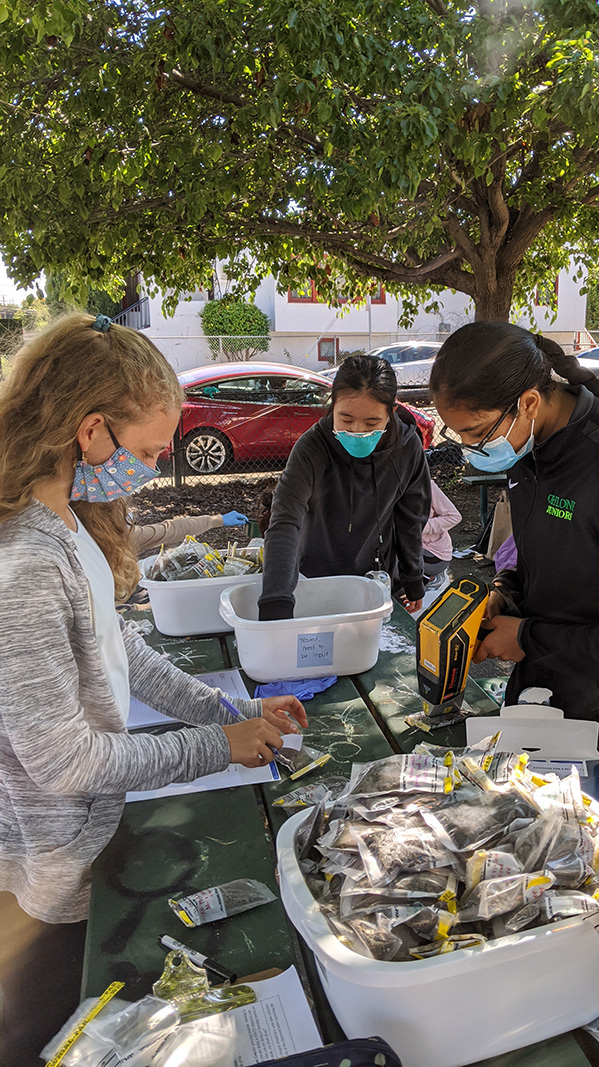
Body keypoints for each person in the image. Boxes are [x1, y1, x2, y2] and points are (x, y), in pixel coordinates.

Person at [0, 313, 307, 924]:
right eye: (144, 452)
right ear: (91, 431)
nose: (148, 468)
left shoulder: (68, 517)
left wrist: (234, 714)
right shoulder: (28, 564)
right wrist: (216, 747)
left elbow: (120, 651)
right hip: (62, 861)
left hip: (96, 828)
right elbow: (65, 764)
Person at [430, 322, 599, 820]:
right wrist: (504, 597)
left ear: (529, 402)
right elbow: (540, 561)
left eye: (475, 432)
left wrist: (528, 637)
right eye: (458, 433)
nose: (469, 446)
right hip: (546, 702)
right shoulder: (528, 450)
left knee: (573, 871)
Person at [258, 355, 431, 620]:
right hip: (314, 577)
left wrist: (412, 578)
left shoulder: (407, 447)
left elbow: (411, 516)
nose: (357, 431)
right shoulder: (312, 448)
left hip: (374, 579)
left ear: (391, 413)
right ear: (332, 405)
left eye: (372, 423)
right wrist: (276, 599)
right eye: (346, 420)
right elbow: (285, 521)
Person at [130, 509, 250, 556]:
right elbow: (167, 532)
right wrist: (217, 520)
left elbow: (169, 530)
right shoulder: (119, 537)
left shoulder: (123, 535)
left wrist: (217, 520)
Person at [421, 479, 461, 578]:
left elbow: (454, 517)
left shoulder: (426, 485)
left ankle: (427, 580)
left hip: (433, 553)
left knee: (390, 565)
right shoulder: (383, 486)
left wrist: (418, 526)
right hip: (406, 547)